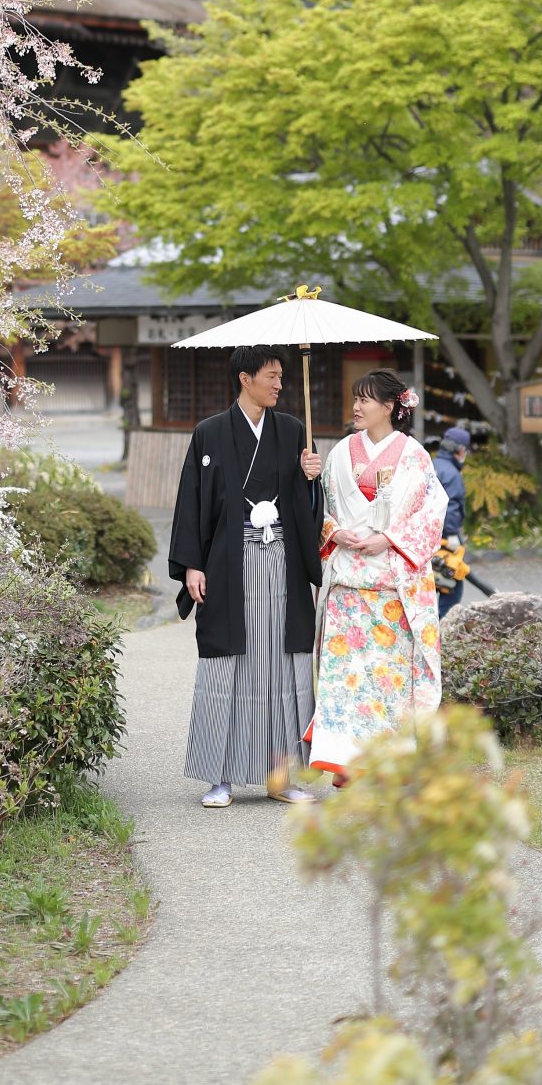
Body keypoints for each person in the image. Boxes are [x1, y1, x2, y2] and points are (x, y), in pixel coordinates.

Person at [169, 345, 323, 808]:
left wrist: (312, 479)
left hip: (281, 561)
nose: (279, 384)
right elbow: (192, 501)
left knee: (282, 666)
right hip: (228, 563)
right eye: (271, 376)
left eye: (281, 377)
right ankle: (221, 776)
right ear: (245, 378)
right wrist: (193, 563)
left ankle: (284, 777)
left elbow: (308, 512)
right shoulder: (209, 433)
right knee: (227, 667)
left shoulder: (295, 431)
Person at [301, 369, 447, 786]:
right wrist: (332, 530)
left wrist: (390, 538)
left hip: (390, 586)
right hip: (347, 583)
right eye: (355, 399)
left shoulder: (415, 454)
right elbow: (321, 506)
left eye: (365, 400)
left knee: (387, 682)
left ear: (389, 406)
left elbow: (431, 511)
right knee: (344, 681)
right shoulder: (339, 453)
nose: (357, 407)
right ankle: (344, 761)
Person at [432, 425, 472, 618]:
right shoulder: (453, 475)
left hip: (425, 536)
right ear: (461, 450)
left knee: (429, 586)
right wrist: (453, 533)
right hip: (446, 539)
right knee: (453, 584)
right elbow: (452, 507)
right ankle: (444, 631)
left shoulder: (430, 465)